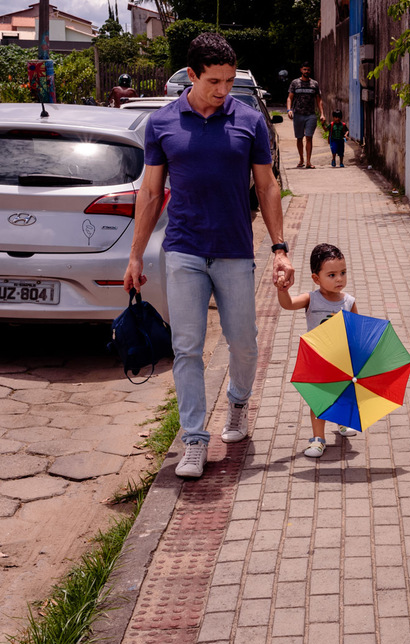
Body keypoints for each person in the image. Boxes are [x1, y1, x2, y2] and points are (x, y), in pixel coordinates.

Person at [123, 32, 295, 479]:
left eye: (229, 81)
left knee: (244, 341)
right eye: (215, 81)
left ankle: (237, 403)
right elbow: (151, 191)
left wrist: (280, 247)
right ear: (192, 75)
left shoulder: (249, 121)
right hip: (183, 249)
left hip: (236, 250)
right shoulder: (162, 124)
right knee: (187, 348)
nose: (223, 90)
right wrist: (135, 256)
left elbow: (267, 185)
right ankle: (195, 441)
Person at [275, 243, 359, 458]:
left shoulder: (349, 302)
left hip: (341, 359)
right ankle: (318, 439)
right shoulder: (311, 299)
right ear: (316, 278)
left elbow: (357, 328)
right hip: (318, 360)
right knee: (319, 399)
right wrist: (282, 291)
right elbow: (288, 304)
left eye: (343, 273)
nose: (339, 278)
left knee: (342, 393)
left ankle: (342, 422)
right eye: (331, 274)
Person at [286, 63, 325, 169]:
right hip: (298, 115)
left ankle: (308, 161)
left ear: (310, 71)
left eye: (308, 70)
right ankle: (301, 159)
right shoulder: (295, 83)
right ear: (301, 70)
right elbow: (290, 97)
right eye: (304, 69)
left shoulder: (314, 84)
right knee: (299, 138)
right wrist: (289, 110)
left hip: (311, 115)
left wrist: (322, 114)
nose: (306, 71)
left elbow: (319, 99)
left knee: (309, 137)